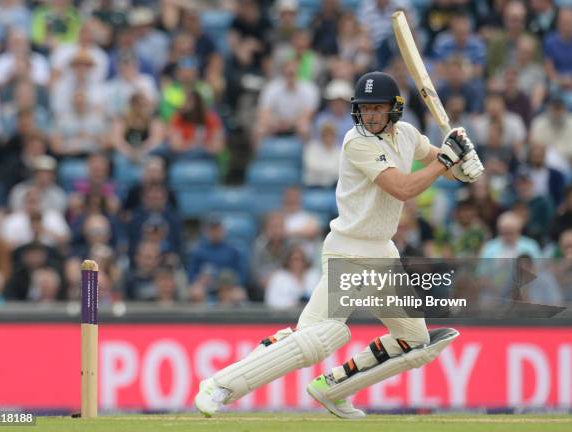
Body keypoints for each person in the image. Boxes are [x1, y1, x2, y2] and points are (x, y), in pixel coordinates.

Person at [195, 71, 483, 418]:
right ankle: (221, 385)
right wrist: (445, 161)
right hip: (351, 251)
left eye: (378, 108)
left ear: (394, 109)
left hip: (382, 252)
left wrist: (465, 163)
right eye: (365, 109)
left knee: (414, 342)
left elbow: (446, 167)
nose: (370, 115)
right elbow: (404, 188)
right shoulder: (356, 142)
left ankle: (334, 388)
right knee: (320, 338)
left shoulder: (408, 134)